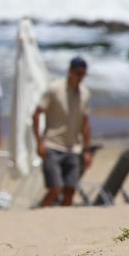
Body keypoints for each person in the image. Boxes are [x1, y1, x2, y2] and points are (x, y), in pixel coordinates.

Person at [32, 56, 92, 207]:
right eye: (78, 73)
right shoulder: (54, 89)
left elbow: (85, 123)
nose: (80, 77)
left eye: (83, 74)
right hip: (52, 145)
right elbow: (37, 113)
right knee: (55, 189)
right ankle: (38, 215)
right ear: (70, 71)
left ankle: (62, 220)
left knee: (70, 190)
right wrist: (39, 142)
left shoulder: (84, 94)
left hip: (73, 148)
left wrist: (87, 150)